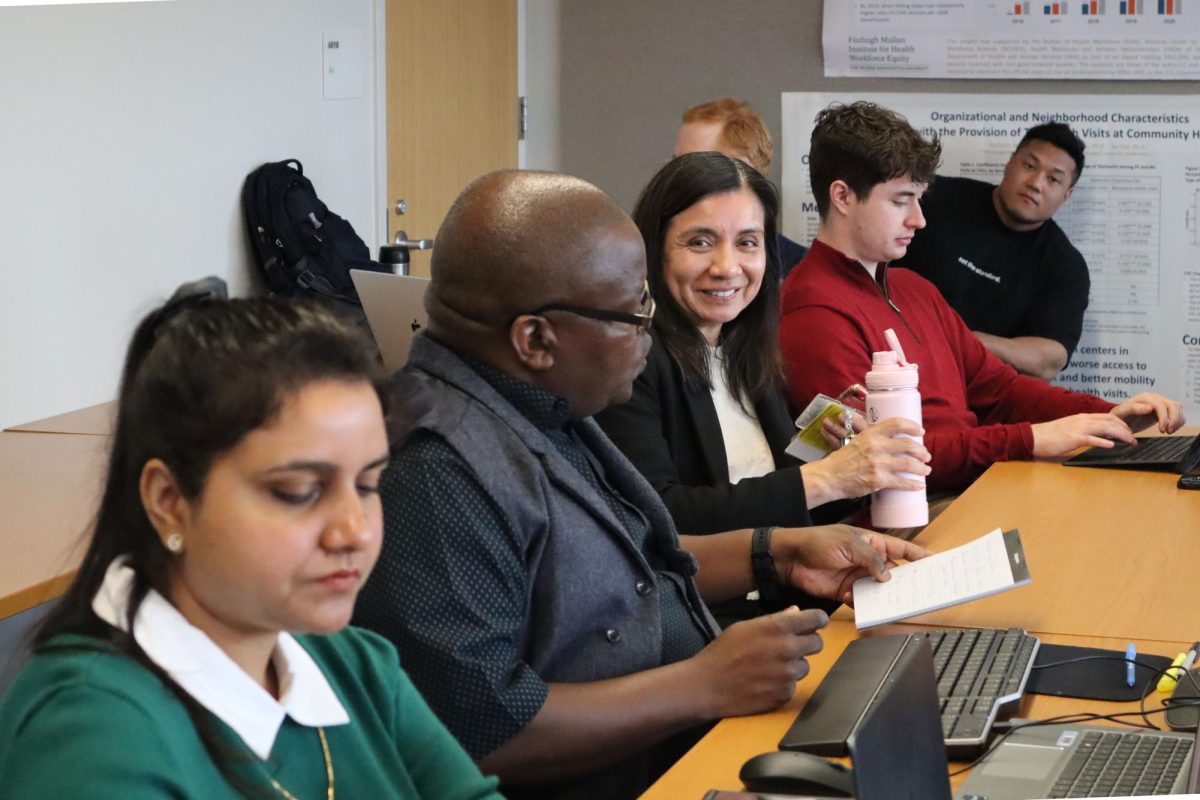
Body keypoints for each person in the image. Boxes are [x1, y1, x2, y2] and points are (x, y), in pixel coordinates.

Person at [352, 169, 927, 800]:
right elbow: (480, 732)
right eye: (634, 312)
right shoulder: (437, 471)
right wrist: (702, 684)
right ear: (536, 338)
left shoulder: (538, 404)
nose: (647, 332)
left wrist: (777, 553)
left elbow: (628, 565)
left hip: (688, 749)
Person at [0, 279, 502, 799]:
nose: (355, 530)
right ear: (169, 501)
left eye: (368, 484)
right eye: (300, 491)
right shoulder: (93, 742)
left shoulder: (353, 663)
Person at [779, 101, 1185, 493]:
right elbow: (885, 460)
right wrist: (1029, 439)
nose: (918, 219)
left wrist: (1104, 414)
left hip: (974, 486)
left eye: (918, 200)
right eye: (901, 200)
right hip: (907, 512)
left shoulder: (914, 289)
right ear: (843, 197)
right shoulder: (812, 312)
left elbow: (1001, 390)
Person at [596, 152, 931, 539]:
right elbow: (655, 515)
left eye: (747, 243)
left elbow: (777, 494)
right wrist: (822, 479)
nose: (727, 266)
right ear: (656, 250)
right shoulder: (628, 357)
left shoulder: (745, 344)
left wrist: (839, 458)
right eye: (700, 242)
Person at [900, 122, 1089, 380]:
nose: (1036, 183)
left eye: (1053, 179)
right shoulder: (934, 199)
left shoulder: (1065, 265)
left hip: (977, 392)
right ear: (1010, 162)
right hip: (892, 362)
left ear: (1066, 195)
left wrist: (966, 341)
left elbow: (1051, 358)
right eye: (1030, 166)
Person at [673, 97, 808, 276]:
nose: (674, 176)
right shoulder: (657, 252)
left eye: (692, 164)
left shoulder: (799, 270)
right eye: (675, 163)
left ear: (743, 169)